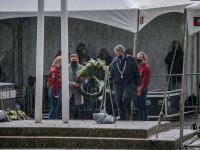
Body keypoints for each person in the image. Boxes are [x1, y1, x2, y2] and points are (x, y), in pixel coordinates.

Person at [110, 45, 141, 120]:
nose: (118, 56)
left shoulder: (131, 59)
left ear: (123, 52)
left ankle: (128, 115)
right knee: (119, 101)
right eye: (117, 54)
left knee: (125, 99)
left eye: (120, 55)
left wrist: (138, 85)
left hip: (129, 82)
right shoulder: (114, 60)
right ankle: (122, 118)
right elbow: (112, 72)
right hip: (118, 83)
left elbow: (137, 73)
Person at [69, 54, 85, 119]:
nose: (73, 61)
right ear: (70, 60)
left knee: (76, 109)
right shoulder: (66, 67)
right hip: (69, 91)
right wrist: (72, 84)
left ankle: (75, 122)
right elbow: (63, 80)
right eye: (72, 60)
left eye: (74, 60)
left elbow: (86, 80)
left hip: (78, 91)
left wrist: (83, 79)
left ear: (77, 60)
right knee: (69, 108)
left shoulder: (82, 67)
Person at [136, 52, 151, 121]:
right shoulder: (138, 66)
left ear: (144, 59)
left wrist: (140, 90)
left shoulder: (146, 68)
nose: (138, 59)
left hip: (143, 88)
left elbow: (145, 81)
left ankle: (145, 120)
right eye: (138, 58)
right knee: (138, 106)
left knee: (143, 105)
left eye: (140, 58)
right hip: (137, 88)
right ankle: (140, 119)